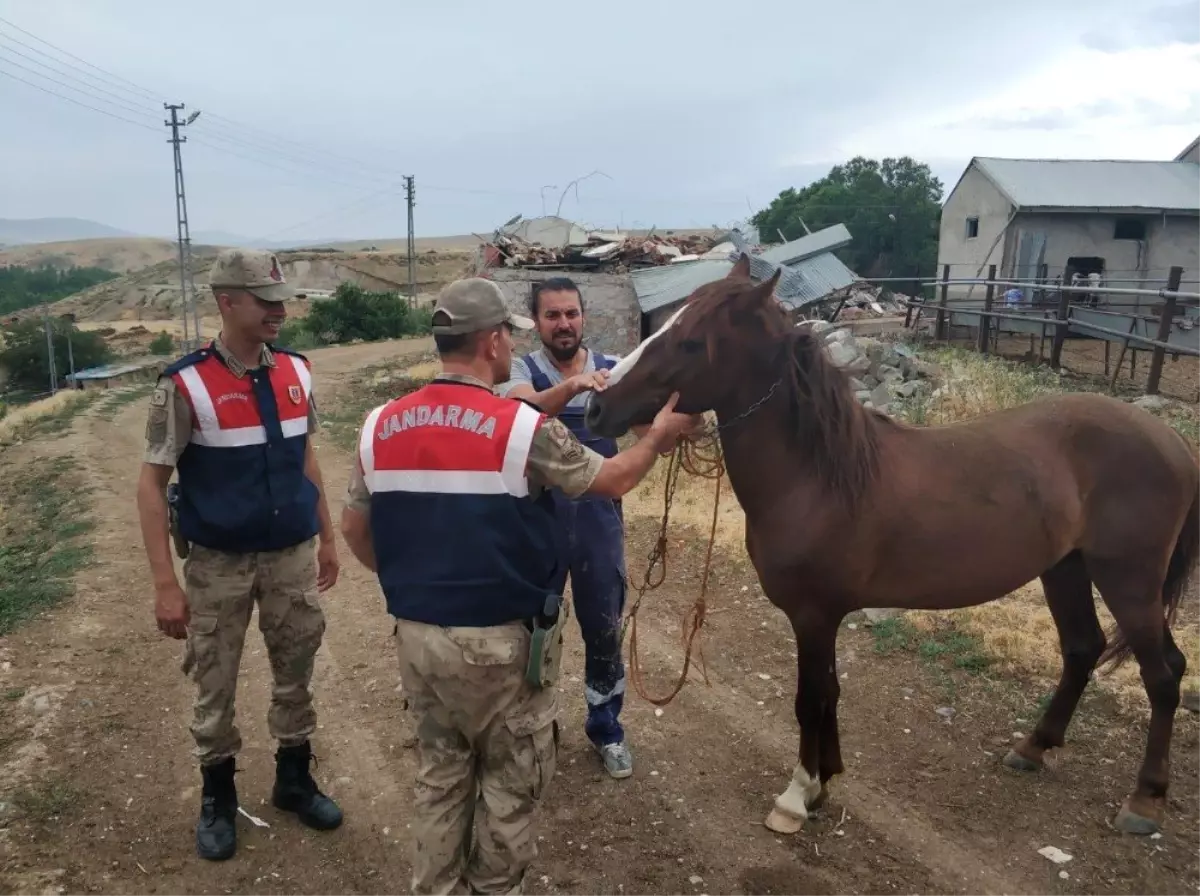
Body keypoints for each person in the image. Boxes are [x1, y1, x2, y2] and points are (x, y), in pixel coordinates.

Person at [339, 277, 696, 896]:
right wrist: (660, 437)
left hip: (418, 638)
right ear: (495, 341)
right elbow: (609, 479)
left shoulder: (378, 424)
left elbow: (355, 530)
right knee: (508, 782)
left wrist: (416, 584)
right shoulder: (518, 426)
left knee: (441, 777)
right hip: (502, 645)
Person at [135, 248, 344, 862]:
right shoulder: (184, 383)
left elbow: (307, 461)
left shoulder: (298, 372)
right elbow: (151, 484)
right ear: (227, 302)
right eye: (265, 301)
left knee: (296, 668)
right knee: (215, 680)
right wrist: (164, 585)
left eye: (280, 300)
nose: (279, 311)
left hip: (289, 555)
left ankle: (294, 778)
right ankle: (218, 797)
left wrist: (327, 538)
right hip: (218, 562)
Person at [497, 277, 640, 779]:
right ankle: (531, 730)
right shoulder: (520, 370)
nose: (564, 324)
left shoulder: (613, 370)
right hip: (539, 519)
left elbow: (645, 428)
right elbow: (522, 410)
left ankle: (607, 728)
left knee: (603, 625)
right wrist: (573, 386)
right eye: (553, 315)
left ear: (585, 317)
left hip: (599, 517)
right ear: (536, 322)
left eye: (572, 314)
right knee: (533, 628)